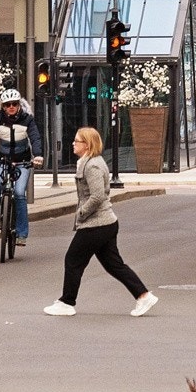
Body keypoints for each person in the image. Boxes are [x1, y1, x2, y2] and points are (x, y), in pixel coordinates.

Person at [45, 127, 157, 316]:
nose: (73, 143)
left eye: (77, 141)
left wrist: (81, 213)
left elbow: (97, 196)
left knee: (73, 260)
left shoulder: (93, 166)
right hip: (105, 224)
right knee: (114, 265)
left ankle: (66, 302)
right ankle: (144, 296)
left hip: (96, 224)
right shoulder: (89, 162)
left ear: (87, 145)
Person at [0, 88, 43, 248]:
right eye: (7, 105)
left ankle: (21, 234)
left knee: (20, 194)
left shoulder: (27, 119)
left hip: (23, 161)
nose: (11, 107)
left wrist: (38, 155)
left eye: (14, 104)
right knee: (1, 185)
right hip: (3, 159)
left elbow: (35, 138)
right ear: (3, 106)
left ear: (19, 105)